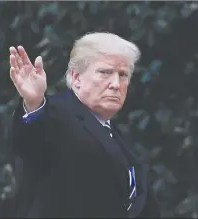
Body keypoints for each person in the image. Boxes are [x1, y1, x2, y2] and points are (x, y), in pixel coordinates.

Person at [9, 32, 160, 218]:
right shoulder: (56, 114)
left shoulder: (118, 135)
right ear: (77, 77)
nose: (115, 84)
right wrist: (34, 104)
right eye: (105, 72)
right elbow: (31, 141)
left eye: (123, 75)